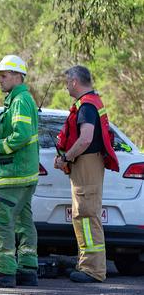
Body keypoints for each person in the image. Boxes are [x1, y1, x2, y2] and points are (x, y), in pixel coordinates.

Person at [0, 55, 40, 288]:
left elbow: (21, 135)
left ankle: (4, 270)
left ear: (17, 76)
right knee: (23, 221)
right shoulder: (20, 99)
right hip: (24, 172)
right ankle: (27, 268)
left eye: (3, 76)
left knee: (1, 220)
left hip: (15, 172)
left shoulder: (20, 101)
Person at [54, 65, 119, 283]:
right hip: (87, 165)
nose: (66, 86)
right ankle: (86, 264)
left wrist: (65, 158)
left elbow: (85, 139)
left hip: (87, 165)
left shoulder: (87, 107)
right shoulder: (90, 103)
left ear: (74, 82)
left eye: (67, 82)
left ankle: (93, 270)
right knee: (82, 216)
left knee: (87, 215)